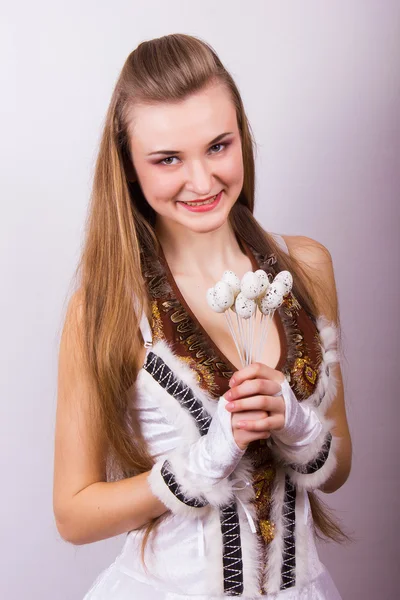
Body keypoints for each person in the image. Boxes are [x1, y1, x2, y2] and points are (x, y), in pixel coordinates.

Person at [53, 33, 353, 599]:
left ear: (242, 135)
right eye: (168, 159)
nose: (202, 180)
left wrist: (298, 424)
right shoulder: (105, 305)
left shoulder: (307, 267)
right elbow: (74, 514)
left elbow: (338, 467)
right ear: (130, 169)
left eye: (219, 146)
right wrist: (199, 463)